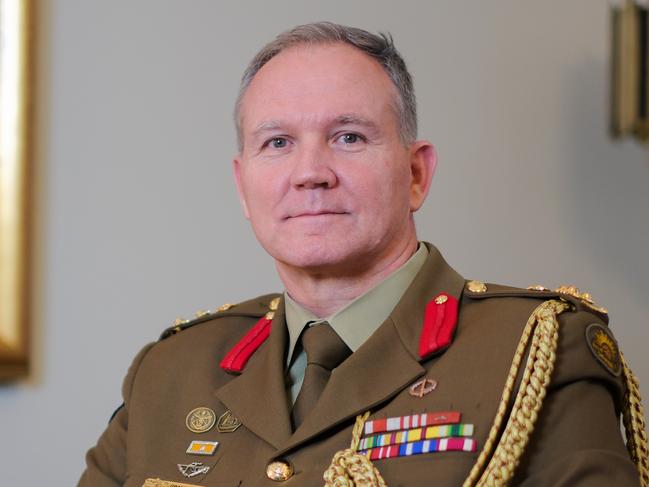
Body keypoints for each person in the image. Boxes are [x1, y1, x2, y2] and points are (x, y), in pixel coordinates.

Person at [79, 22, 647, 487]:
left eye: (348, 137)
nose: (310, 174)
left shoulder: (538, 351)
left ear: (416, 173)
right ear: (242, 185)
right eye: (277, 143)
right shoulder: (168, 372)